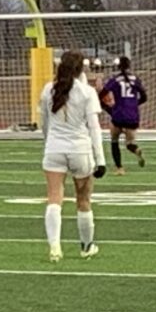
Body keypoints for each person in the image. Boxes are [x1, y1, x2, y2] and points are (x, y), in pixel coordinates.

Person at [41, 50, 107, 263]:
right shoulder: (87, 92)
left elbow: (45, 124)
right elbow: (94, 128)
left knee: (53, 199)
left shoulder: (48, 90)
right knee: (83, 200)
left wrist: (48, 144)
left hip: (54, 149)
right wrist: (101, 159)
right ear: (80, 70)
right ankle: (87, 247)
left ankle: (55, 247)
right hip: (79, 149)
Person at [100, 56, 147, 176]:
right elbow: (144, 97)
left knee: (114, 140)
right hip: (132, 116)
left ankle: (119, 168)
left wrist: (107, 108)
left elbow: (102, 93)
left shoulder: (115, 80)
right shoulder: (135, 79)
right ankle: (136, 150)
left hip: (118, 115)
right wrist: (133, 105)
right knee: (130, 143)